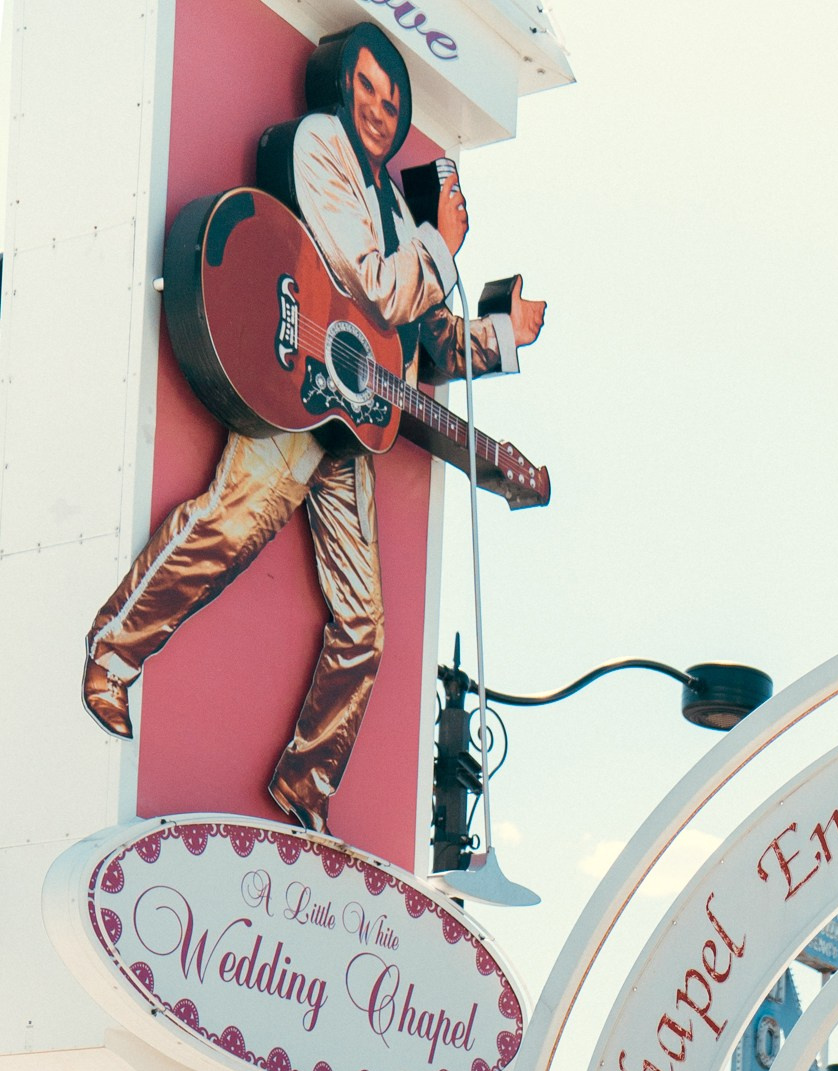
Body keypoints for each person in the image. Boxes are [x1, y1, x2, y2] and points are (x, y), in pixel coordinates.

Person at [81, 21, 545, 828]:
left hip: (350, 412)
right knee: (229, 526)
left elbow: (425, 336)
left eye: (392, 98)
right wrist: (442, 244)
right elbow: (369, 284)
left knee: (364, 621)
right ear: (341, 86)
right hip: (297, 374)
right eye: (367, 87)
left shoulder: (399, 210)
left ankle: (306, 784)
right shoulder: (319, 147)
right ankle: (113, 657)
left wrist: (505, 336)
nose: (378, 107)